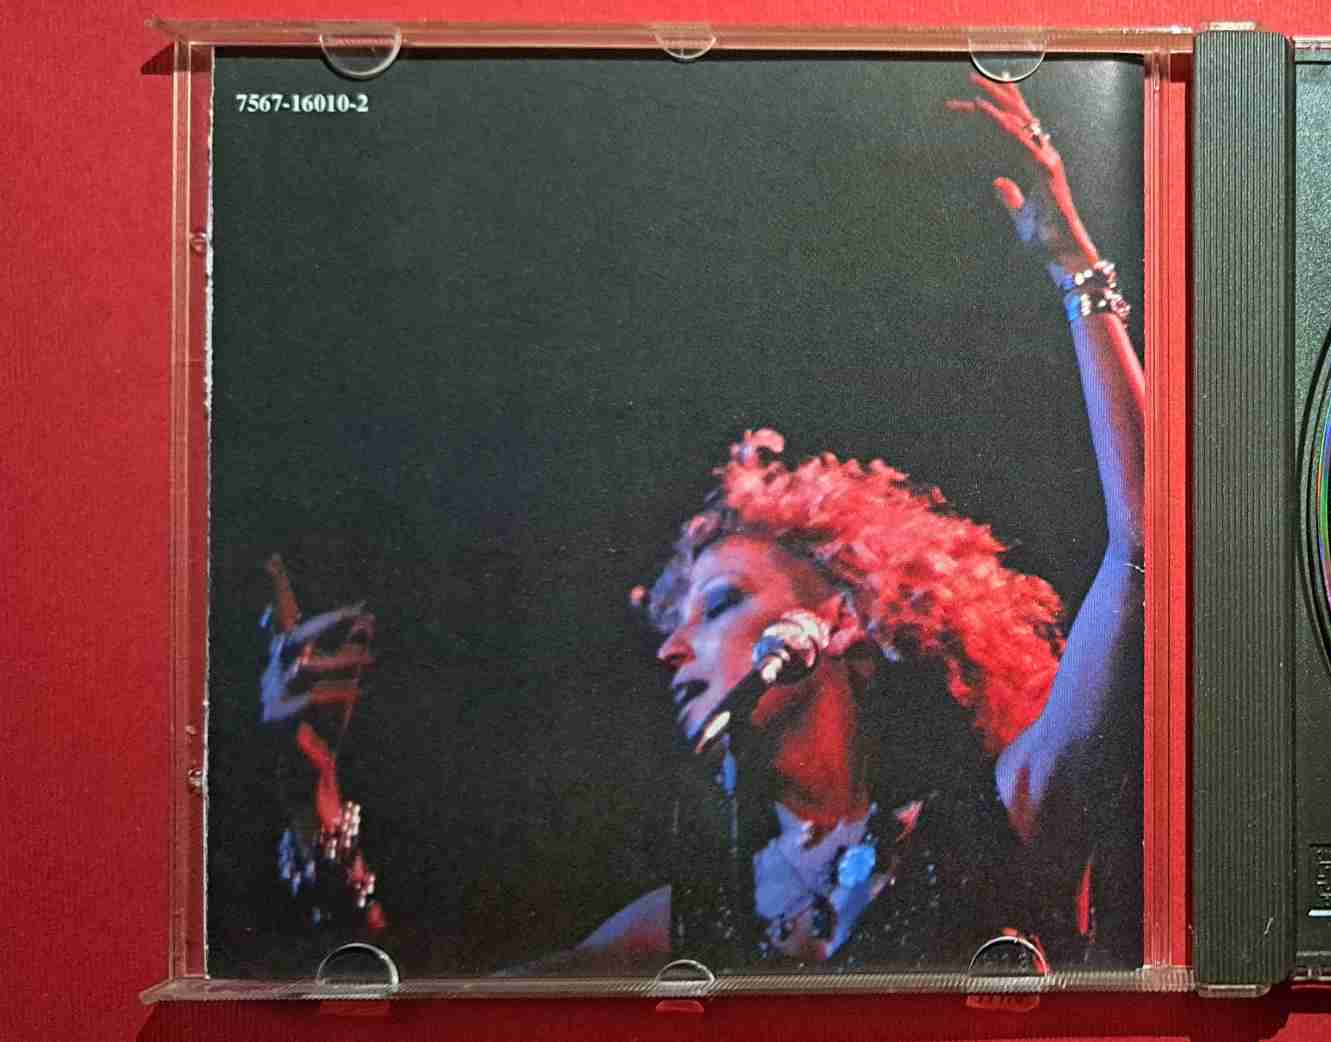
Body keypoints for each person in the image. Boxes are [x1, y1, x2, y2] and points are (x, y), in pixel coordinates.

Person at [256, 76, 1146, 973]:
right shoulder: (685, 921)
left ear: (842, 621)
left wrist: (1071, 261)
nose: (674, 651)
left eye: (718, 604)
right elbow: (425, 1007)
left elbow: (1144, 548)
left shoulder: (1006, 820)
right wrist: (312, 786)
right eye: (673, 628)